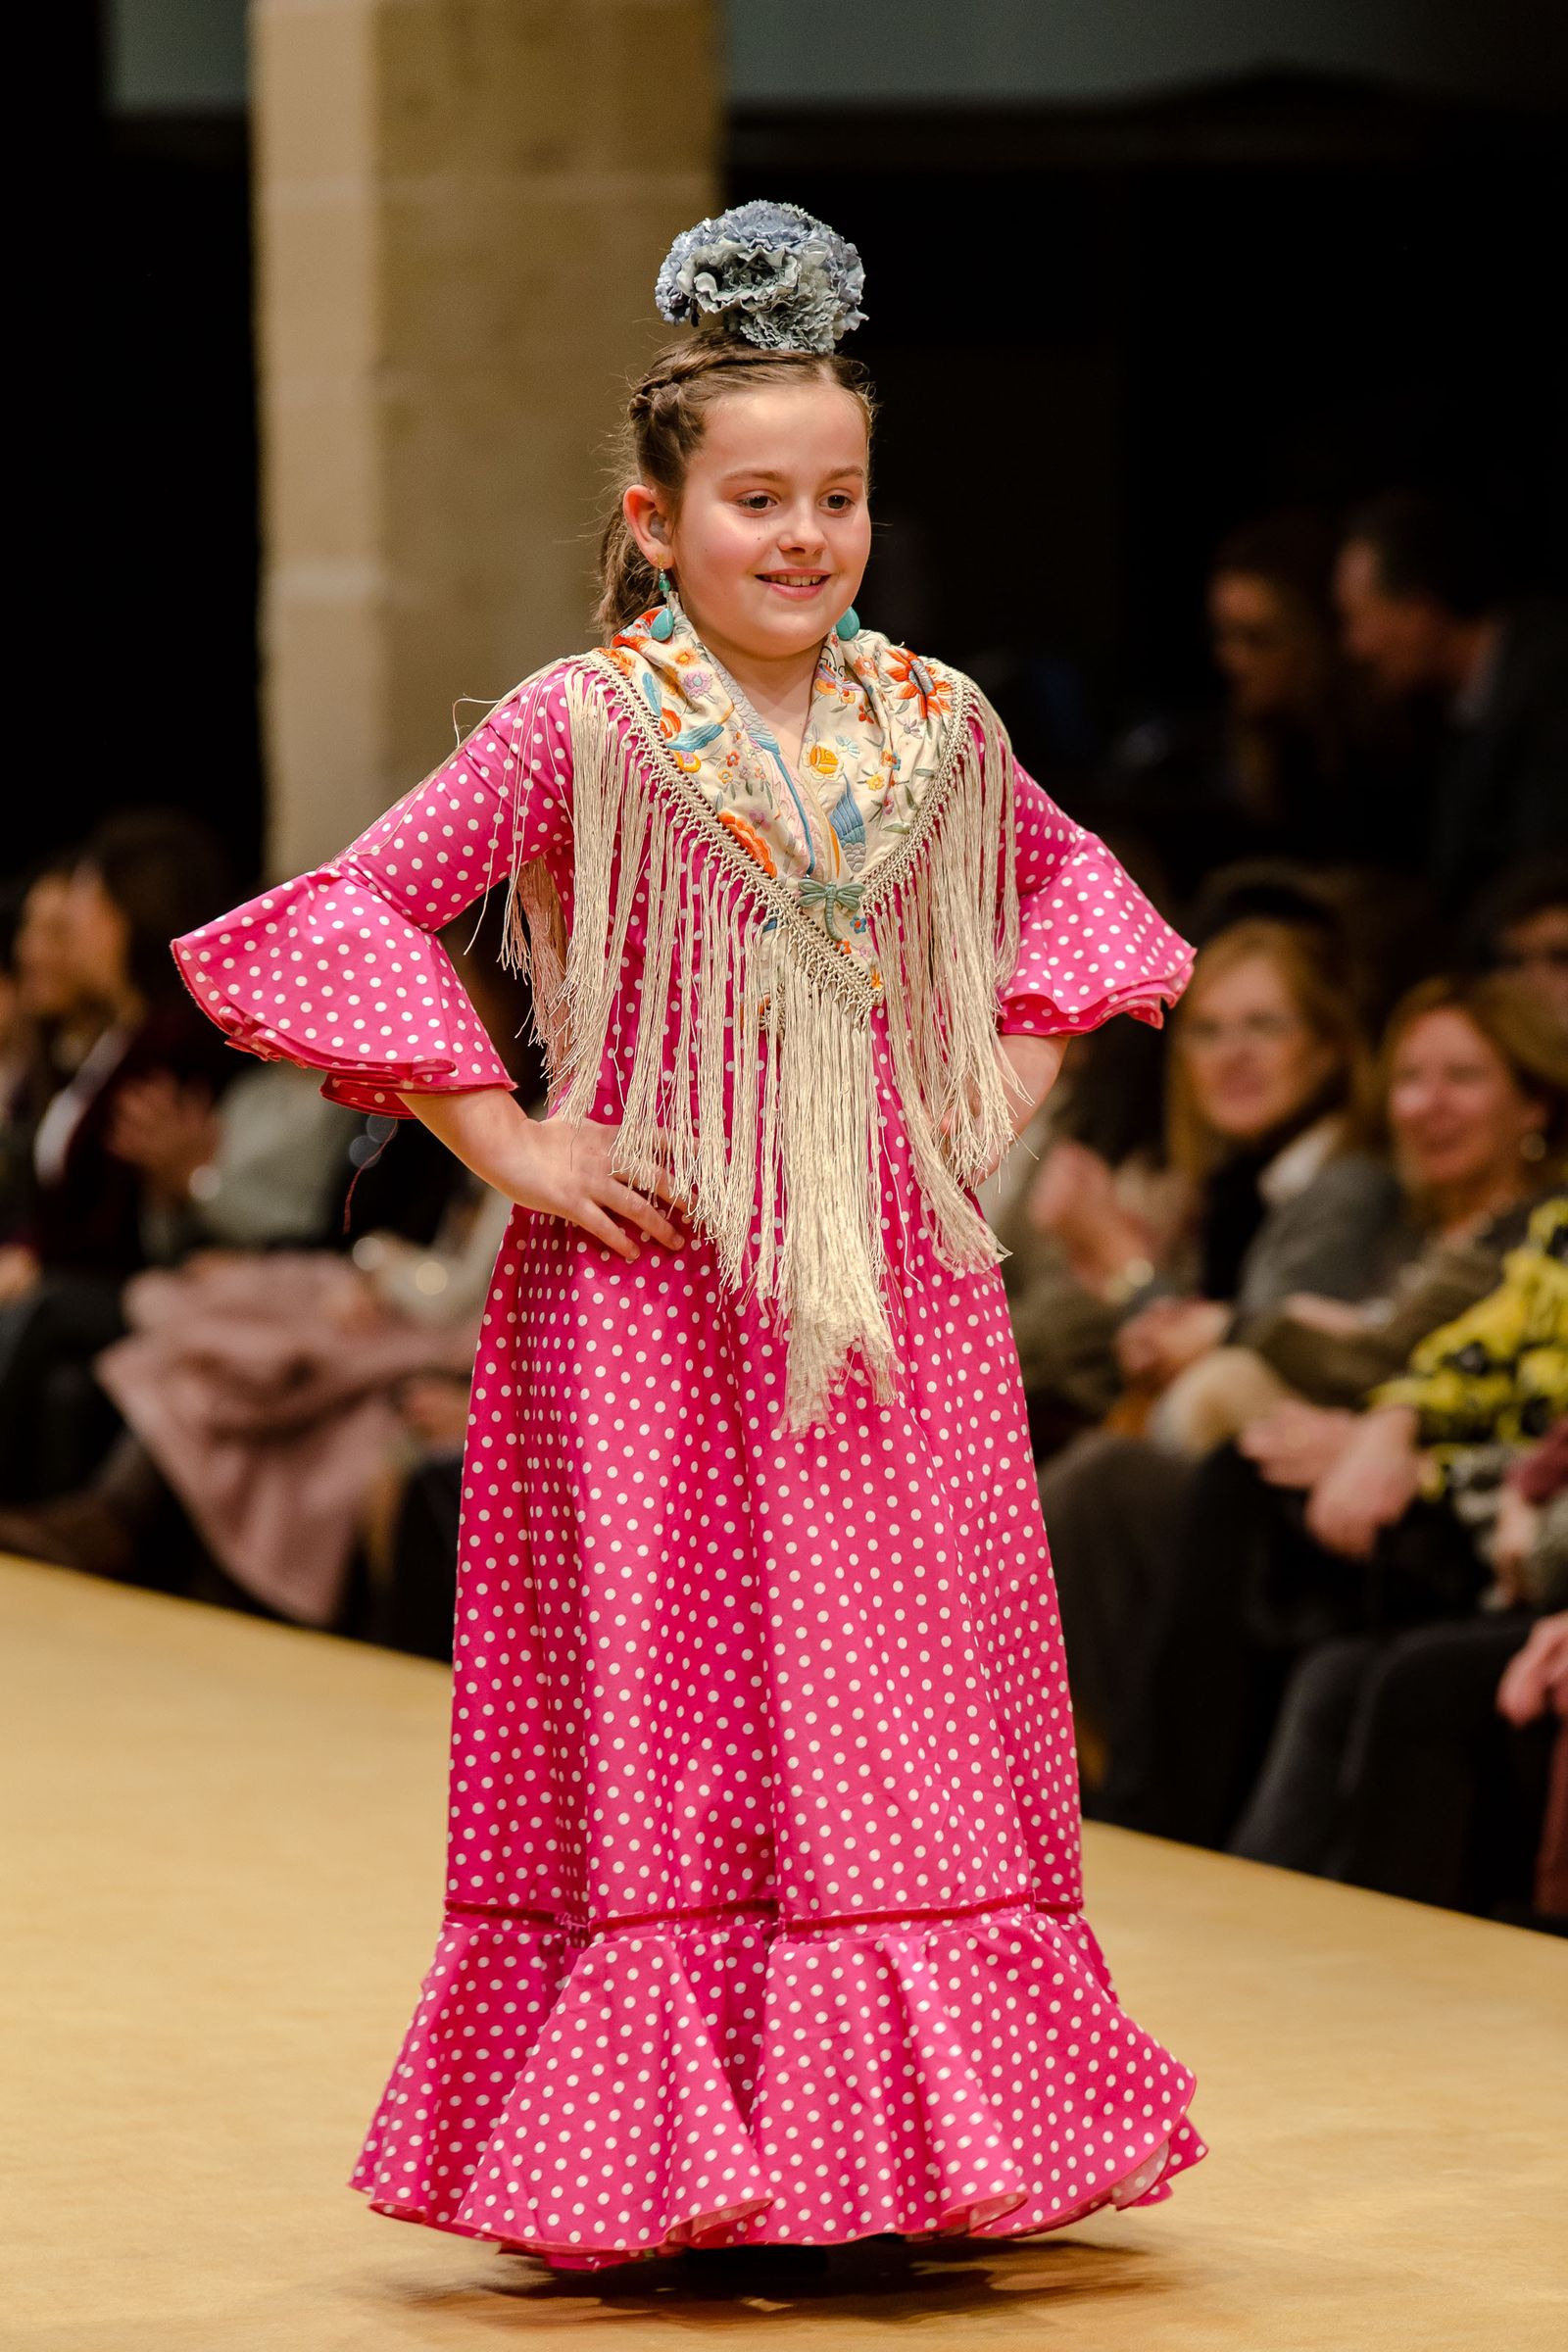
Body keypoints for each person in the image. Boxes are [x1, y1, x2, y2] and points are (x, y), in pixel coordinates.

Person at [171, 205, 1205, 2275]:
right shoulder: (581, 725)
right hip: (647, 1299)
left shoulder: (933, 724)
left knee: (888, 1700)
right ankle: (669, 2151)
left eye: (837, 496)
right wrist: (505, 1140)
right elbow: (350, 907)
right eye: (755, 500)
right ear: (656, 521)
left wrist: (997, 1082)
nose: (803, 536)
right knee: (670, 1699)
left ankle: (887, 2156)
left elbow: (1083, 906)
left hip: (884, 1304)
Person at [1335, 492, 1568, 906]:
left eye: (1359, 619)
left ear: (1419, 613)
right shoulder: (1459, 707)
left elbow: (1539, 874)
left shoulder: (1550, 689)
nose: (1356, 647)